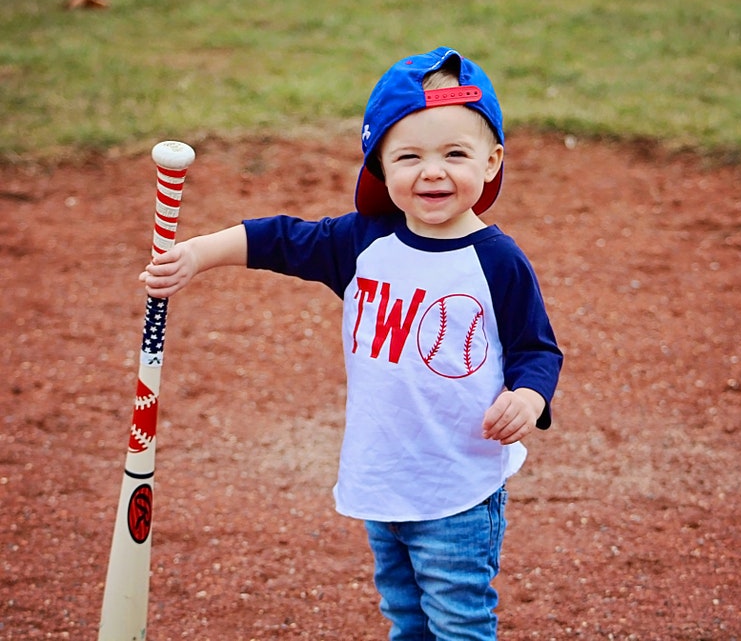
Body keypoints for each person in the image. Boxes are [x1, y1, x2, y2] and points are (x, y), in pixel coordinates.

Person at [141, 46, 563, 641]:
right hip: (381, 477)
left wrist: (528, 397)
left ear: (493, 162)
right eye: (409, 155)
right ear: (379, 165)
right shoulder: (364, 241)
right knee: (406, 617)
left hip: (457, 486)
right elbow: (280, 240)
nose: (433, 171)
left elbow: (538, 351)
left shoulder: (497, 261)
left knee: (459, 622)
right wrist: (197, 255)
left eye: (455, 154)